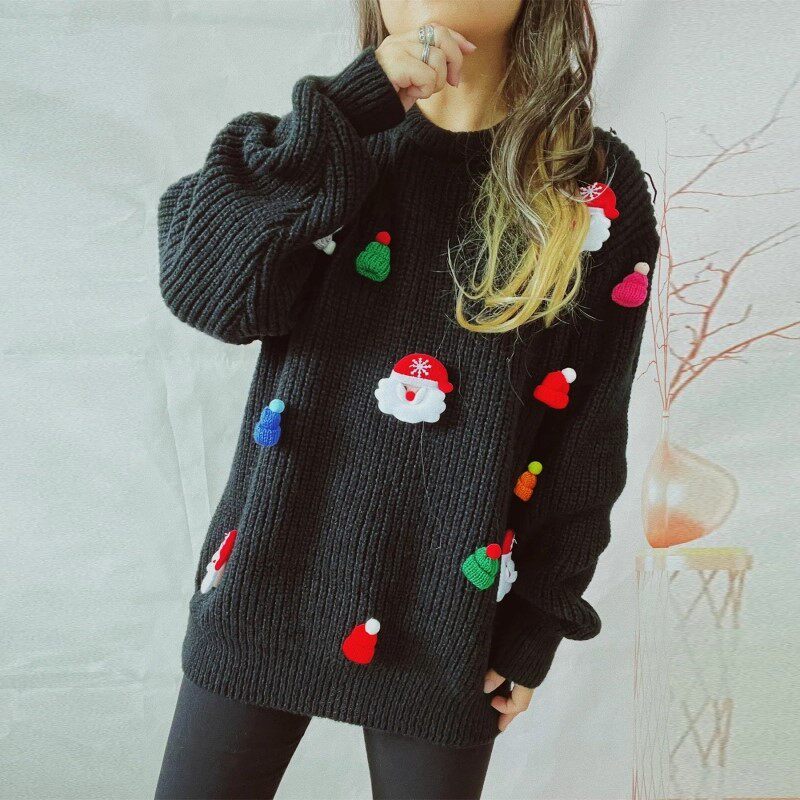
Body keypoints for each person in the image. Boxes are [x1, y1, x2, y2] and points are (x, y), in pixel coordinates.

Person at [153, 1, 659, 798]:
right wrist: (342, 114)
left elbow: (590, 428)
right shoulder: (333, 144)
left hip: (449, 618)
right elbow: (204, 292)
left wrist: (537, 620)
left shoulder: (589, 183)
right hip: (263, 582)